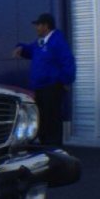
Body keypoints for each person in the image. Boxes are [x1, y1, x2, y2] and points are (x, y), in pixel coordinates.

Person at [13, 13, 76, 146]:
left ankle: (54, 150)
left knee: (52, 119)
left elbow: (68, 62)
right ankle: (44, 147)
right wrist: (21, 48)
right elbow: (30, 50)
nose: (36, 28)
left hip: (52, 88)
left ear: (45, 26)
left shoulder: (57, 41)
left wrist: (65, 81)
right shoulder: (40, 42)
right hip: (40, 89)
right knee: (41, 118)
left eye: (38, 25)